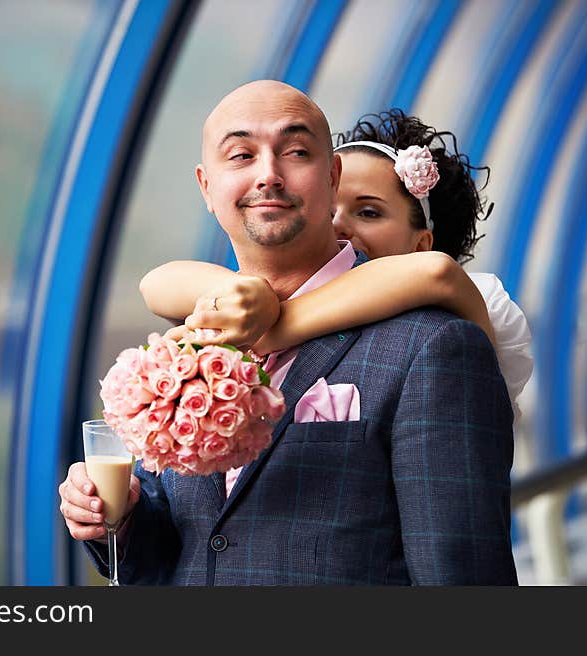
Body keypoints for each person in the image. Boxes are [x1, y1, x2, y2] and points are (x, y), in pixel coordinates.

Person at [59, 80, 518, 584]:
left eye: (296, 151)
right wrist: (121, 519)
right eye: (240, 155)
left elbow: (464, 577)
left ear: (331, 177)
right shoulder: (189, 343)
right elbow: (180, 549)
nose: (268, 175)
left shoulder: (433, 346)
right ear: (207, 188)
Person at [141, 109, 533, 424]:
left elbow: (437, 273)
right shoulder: (269, 292)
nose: (338, 225)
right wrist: (249, 294)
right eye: (329, 207)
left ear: (421, 243)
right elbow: (156, 283)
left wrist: (273, 325)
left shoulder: (444, 320)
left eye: (368, 212)